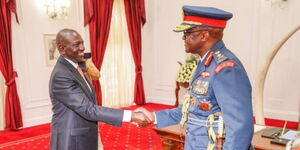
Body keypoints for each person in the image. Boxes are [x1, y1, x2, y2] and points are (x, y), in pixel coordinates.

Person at [135, 5, 254, 150]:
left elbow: (240, 128)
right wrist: (154, 117)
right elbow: (193, 109)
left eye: (188, 33)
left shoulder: (226, 68)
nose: (183, 37)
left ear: (204, 36)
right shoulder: (205, 63)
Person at [49, 28, 150, 150]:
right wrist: (131, 115)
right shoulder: (62, 75)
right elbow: (87, 109)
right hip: (72, 139)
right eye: (76, 44)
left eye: (82, 43)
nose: (82, 48)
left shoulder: (75, 66)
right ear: (62, 49)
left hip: (84, 133)